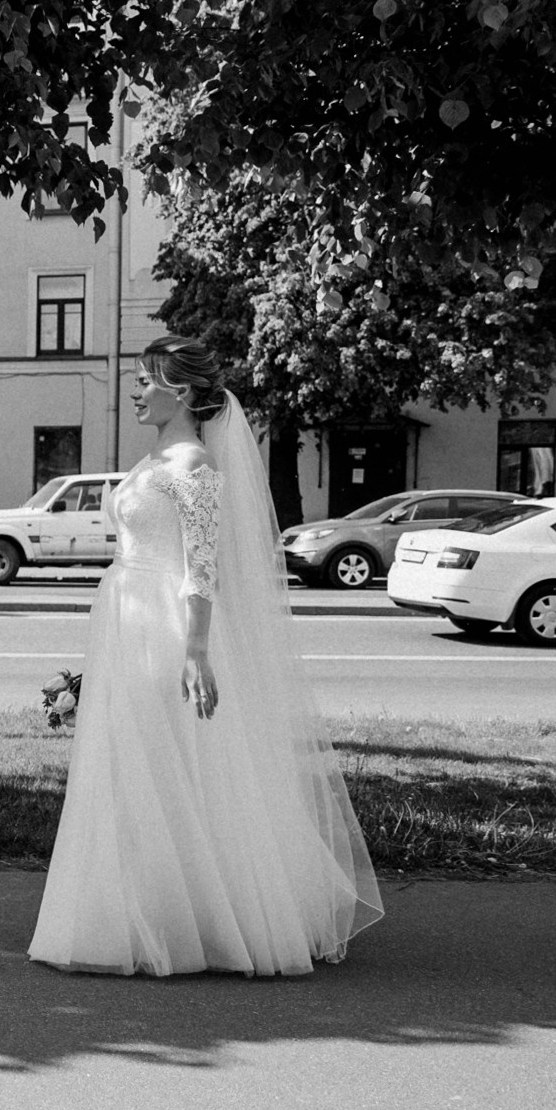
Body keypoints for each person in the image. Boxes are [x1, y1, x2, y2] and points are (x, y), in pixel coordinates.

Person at [30, 335, 382, 976]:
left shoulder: (191, 463)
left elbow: (202, 565)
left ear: (184, 392)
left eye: (147, 380)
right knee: (135, 761)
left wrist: (196, 651)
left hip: (167, 620)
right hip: (130, 612)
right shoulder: (156, 456)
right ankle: (148, 908)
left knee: (172, 762)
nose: (135, 390)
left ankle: (201, 919)